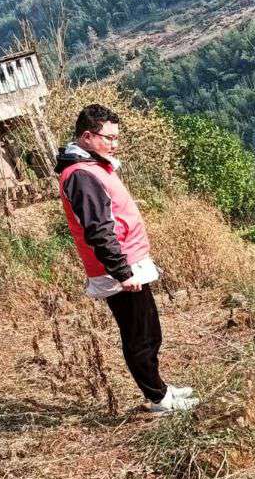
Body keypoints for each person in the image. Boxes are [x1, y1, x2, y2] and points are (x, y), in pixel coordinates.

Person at [57, 104, 197, 415]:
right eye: (109, 137)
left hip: (129, 264)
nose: (115, 144)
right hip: (119, 270)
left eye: (117, 137)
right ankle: (159, 400)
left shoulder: (93, 167)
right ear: (87, 136)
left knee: (149, 331)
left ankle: (160, 388)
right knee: (139, 336)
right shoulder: (81, 175)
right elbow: (97, 229)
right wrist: (122, 272)